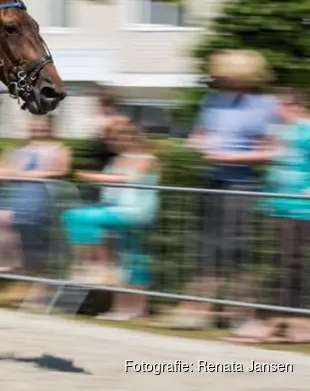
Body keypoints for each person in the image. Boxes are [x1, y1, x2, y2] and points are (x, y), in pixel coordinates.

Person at [155, 49, 278, 331]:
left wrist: (229, 157)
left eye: (224, 76)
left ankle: (243, 313)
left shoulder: (266, 105)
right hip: (213, 181)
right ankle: (199, 310)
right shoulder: (213, 101)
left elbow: (270, 150)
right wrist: (197, 144)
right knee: (208, 247)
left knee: (235, 249)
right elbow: (199, 135)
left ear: (242, 77)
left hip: (242, 184)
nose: (217, 80)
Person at [225, 87, 310, 343]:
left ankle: (282, 325)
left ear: (290, 104)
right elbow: (271, 155)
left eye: (276, 105)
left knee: (290, 267)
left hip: (300, 210)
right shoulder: (282, 130)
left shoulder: (307, 129)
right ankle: (278, 323)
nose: (271, 110)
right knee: (279, 266)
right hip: (276, 206)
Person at [63, 120, 159, 319]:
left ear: (129, 137)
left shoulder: (146, 158)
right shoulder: (117, 159)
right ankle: (125, 308)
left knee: (78, 217)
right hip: (115, 209)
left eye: (115, 138)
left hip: (134, 211)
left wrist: (92, 177)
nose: (111, 142)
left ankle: (96, 266)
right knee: (130, 260)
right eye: (109, 138)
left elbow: (128, 178)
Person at [0, 114, 72, 302]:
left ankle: (15, 267)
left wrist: (30, 174)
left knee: (5, 217)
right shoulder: (16, 150)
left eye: (42, 126)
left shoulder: (59, 149)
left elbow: (62, 171)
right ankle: (3, 260)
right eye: (35, 126)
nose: (38, 130)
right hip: (15, 197)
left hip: (38, 196)